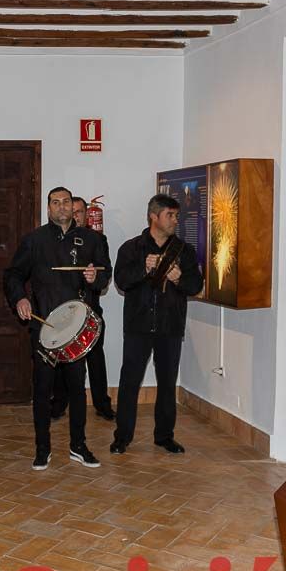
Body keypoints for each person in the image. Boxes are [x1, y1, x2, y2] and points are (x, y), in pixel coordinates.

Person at [4, 186, 111, 471]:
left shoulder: (92, 239)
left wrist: (94, 277)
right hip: (44, 327)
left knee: (77, 389)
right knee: (42, 390)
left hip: (76, 330)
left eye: (66, 202)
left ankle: (78, 446)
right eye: (55, 202)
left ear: (74, 207)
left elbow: (105, 275)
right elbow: (13, 274)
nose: (61, 207)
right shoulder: (34, 240)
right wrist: (20, 298)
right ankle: (42, 448)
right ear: (48, 208)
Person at [111, 194, 204, 456]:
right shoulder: (132, 248)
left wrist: (178, 278)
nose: (175, 220)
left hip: (169, 327)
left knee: (166, 383)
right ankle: (122, 437)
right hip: (138, 326)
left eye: (176, 216)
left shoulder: (184, 251)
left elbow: (195, 285)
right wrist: (143, 268)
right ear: (154, 216)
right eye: (170, 215)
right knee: (129, 382)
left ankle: (164, 436)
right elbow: (121, 281)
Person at [51, 196, 115, 421]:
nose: (75, 215)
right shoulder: (54, 239)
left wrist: (95, 278)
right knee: (62, 359)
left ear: (86, 215)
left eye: (80, 212)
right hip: (64, 312)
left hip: (90, 310)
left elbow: (106, 274)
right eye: (73, 211)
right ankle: (59, 403)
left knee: (96, 358)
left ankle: (102, 404)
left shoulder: (97, 239)